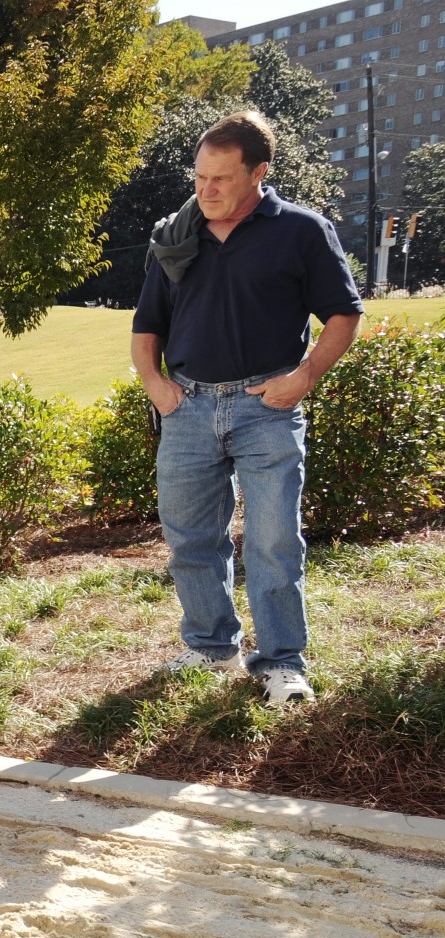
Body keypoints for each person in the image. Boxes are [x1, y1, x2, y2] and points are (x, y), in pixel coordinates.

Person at [132, 111, 363, 706]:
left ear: (260, 173)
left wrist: (304, 377)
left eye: (221, 179)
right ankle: (212, 645)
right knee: (190, 539)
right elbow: (147, 325)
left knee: (272, 540)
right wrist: (155, 384)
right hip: (187, 407)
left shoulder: (302, 231)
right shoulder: (177, 233)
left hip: (268, 406)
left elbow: (343, 314)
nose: (205, 190)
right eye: (199, 177)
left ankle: (282, 662)